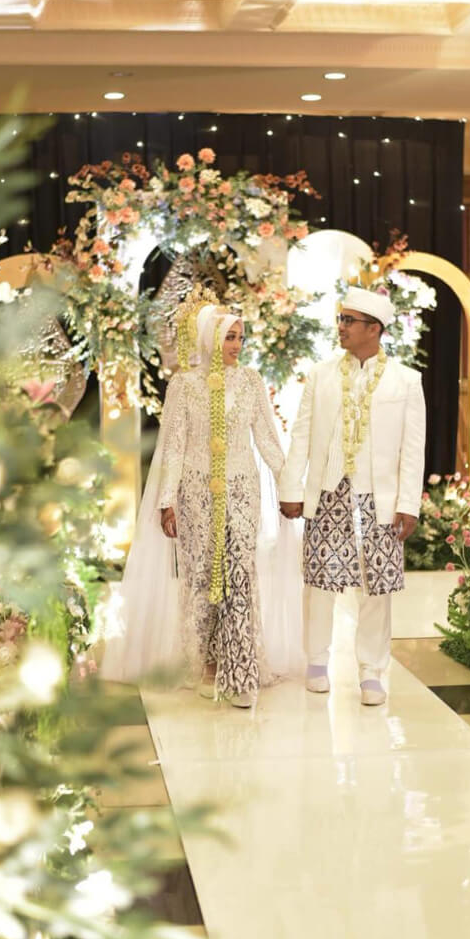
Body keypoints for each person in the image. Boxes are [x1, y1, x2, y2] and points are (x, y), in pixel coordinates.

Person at [101, 289, 302, 706]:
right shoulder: (184, 385)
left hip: (241, 491)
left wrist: (289, 487)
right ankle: (207, 664)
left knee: (239, 571)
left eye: (240, 337)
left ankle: (240, 670)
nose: (237, 345)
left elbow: (267, 438)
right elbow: (173, 446)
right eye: (230, 337)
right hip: (195, 493)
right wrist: (167, 500)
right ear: (210, 337)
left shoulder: (250, 381)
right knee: (202, 576)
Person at [278, 285, 426, 705]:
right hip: (329, 493)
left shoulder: (406, 380)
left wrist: (408, 504)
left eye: (349, 321)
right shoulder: (321, 375)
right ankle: (316, 662)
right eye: (340, 319)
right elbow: (302, 434)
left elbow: (412, 448)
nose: (340, 327)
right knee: (319, 582)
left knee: (376, 587)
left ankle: (371, 672)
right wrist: (291, 487)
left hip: (380, 498)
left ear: (374, 329)